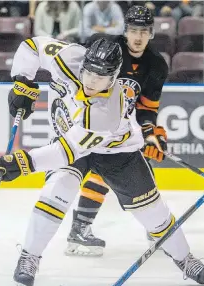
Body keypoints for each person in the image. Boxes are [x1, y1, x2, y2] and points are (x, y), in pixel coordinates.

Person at [0, 36, 204, 286]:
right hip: (70, 140)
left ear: (114, 76)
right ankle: (29, 257)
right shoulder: (68, 56)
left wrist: (24, 162)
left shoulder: (106, 111)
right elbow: (32, 46)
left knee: (154, 212)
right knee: (56, 191)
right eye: (89, 72)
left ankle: (185, 259)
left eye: (101, 77)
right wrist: (22, 82)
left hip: (116, 150)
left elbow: (68, 151)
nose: (91, 81)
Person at [66, 5, 169, 257]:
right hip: (88, 118)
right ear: (125, 30)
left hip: (119, 125)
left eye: (143, 32)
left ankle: (153, 227)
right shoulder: (107, 48)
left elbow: (146, 108)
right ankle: (78, 229)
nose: (138, 37)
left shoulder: (156, 65)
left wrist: (149, 132)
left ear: (151, 33)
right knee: (90, 170)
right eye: (133, 30)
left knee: (137, 169)